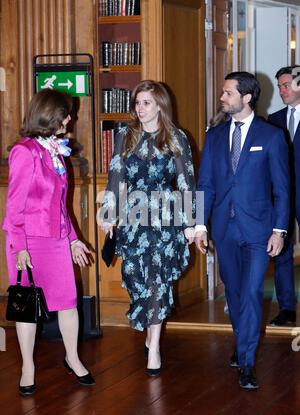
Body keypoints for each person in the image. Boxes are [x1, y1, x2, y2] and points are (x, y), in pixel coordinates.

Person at [195, 71, 290, 390]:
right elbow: (204, 184)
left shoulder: (272, 136)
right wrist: (198, 224)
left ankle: (247, 362)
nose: (222, 98)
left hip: (259, 231)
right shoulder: (215, 135)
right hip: (224, 229)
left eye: (227, 93)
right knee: (234, 294)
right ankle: (242, 339)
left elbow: (282, 188)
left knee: (251, 293)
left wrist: (279, 230)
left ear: (247, 97)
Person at [2, 89, 95, 396]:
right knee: (28, 308)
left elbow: (59, 204)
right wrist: (19, 247)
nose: (70, 118)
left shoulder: (56, 150)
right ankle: (28, 367)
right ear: (51, 116)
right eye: (66, 114)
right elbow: (14, 206)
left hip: (55, 240)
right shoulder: (24, 152)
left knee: (68, 303)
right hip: (27, 242)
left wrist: (72, 240)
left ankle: (73, 357)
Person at [99, 80, 195, 377]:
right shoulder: (125, 135)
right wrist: (108, 214)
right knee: (137, 279)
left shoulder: (176, 136)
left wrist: (192, 224)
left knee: (158, 281)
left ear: (160, 106)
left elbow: (186, 181)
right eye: (137, 103)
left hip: (166, 218)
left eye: (146, 103)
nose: (140, 108)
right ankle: (149, 328)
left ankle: (153, 346)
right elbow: (116, 174)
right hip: (134, 215)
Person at [267, 65, 300, 326]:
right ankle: (287, 307)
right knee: (282, 251)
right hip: (282, 197)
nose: (282, 90)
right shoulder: (273, 120)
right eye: (279, 86)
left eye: (286, 84)